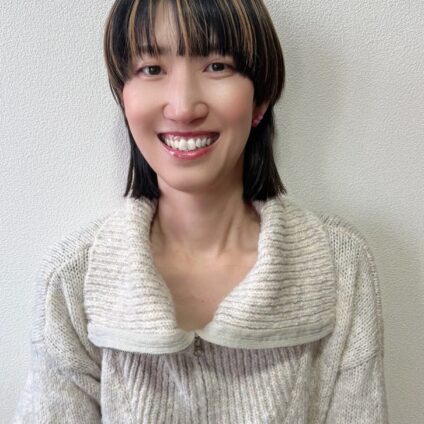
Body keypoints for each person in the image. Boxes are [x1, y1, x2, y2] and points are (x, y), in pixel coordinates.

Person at [14, 0, 388, 422]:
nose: (183, 107)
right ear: (124, 97)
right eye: (152, 69)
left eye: (217, 66)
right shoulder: (72, 281)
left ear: (261, 99)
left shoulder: (340, 267)